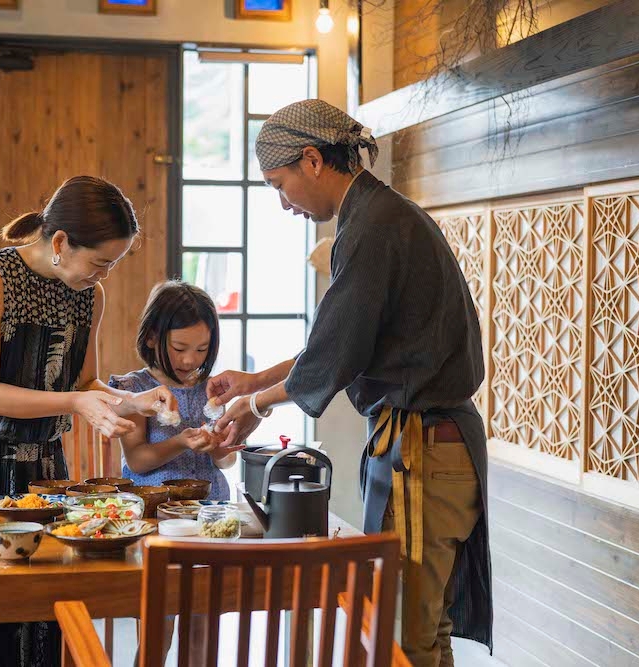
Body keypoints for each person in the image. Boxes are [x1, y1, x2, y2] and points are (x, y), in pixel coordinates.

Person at [209, 99, 491, 667]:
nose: (282, 202)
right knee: (422, 630)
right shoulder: (382, 216)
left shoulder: (371, 228)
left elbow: (335, 352)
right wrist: (255, 382)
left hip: (422, 450)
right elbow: (342, 343)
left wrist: (254, 406)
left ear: (311, 160)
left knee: (398, 637)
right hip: (433, 446)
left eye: (278, 183)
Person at [0, 175, 177, 667]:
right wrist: (73, 404)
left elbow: (84, 384)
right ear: (61, 242)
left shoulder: (88, 295)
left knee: (36, 620)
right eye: (100, 262)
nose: (103, 276)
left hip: (40, 474)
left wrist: (133, 402)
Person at [107, 280, 242, 499]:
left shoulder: (212, 387)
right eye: (179, 348)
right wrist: (180, 442)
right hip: (156, 508)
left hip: (212, 507)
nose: (190, 360)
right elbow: (136, 461)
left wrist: (219, 448)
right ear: (151, 337)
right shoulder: (136, 390)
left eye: (202, 349)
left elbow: (227, 461)